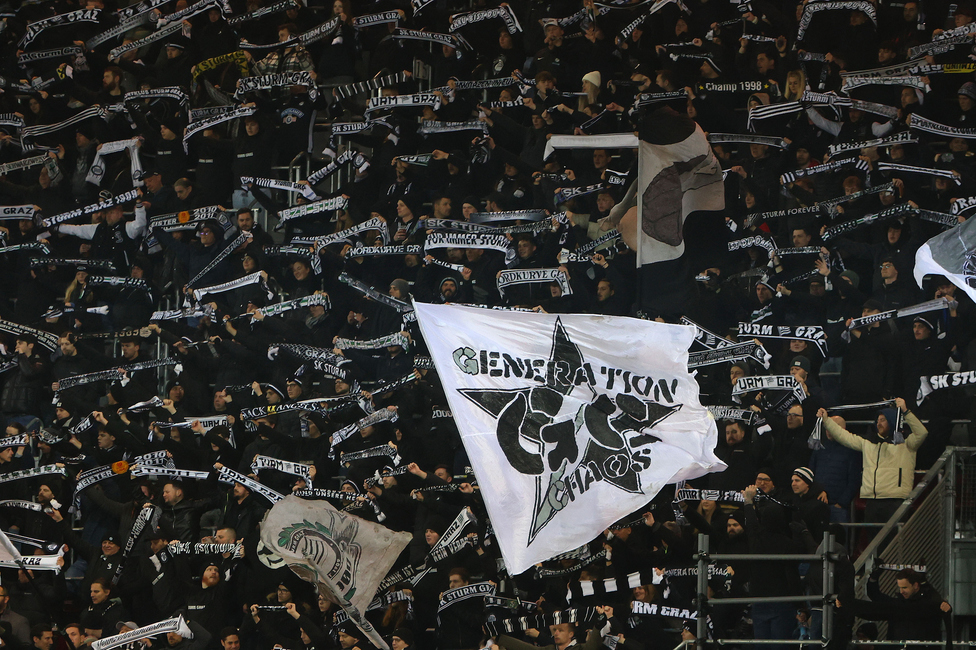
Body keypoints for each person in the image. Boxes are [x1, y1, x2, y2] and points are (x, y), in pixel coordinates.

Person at [817, 398, 927, 523]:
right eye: (878, 420)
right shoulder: (868, 442)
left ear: (892, 420)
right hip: (872, 501)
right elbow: (844, 436)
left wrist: (906, 412)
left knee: (895, 540)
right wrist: (826, 421)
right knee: (873, 539)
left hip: (896, 500)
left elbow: (922, 433)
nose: (879, 423)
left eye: (883, 420)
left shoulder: (906, 442)